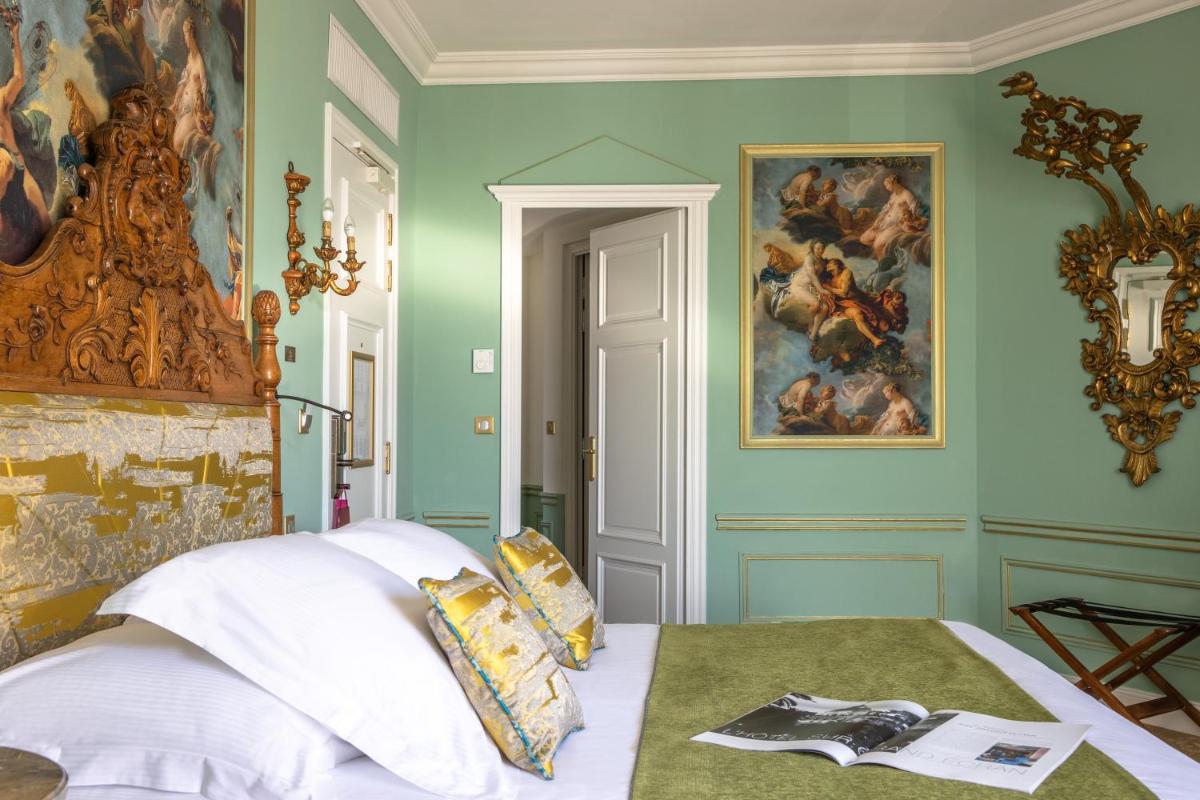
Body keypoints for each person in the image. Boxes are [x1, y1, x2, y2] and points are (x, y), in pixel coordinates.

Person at [0, 4, 50, 263]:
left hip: (18, 167)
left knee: (46, 229)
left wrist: (16, 36)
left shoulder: (1, 100)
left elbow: (19, 77)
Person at [859, 173, 922, 260]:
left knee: (877, 245)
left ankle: (884, 262)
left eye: (887, 185)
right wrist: (878, 220)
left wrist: (907, 222)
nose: (886, 188)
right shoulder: (893, 195)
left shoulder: (907, 194)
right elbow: (886, 209)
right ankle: (884, 251)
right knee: (864, 239)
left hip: (897, 225)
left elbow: (914, 211)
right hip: (885, 222)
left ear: (894, 182)